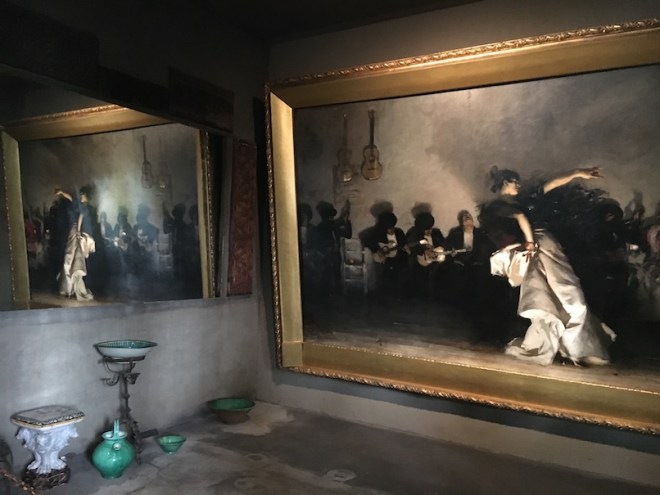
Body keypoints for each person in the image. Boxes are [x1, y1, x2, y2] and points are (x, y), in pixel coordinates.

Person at [478, 166, 616, 366]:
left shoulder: (524, 198)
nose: (518, 185)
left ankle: (574, 348)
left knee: (563, 294)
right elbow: (519, 217)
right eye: (515, 181)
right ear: (504, 183)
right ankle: (568, 348)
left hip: (541, 245)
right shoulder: (497, 206)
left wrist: (577, 173)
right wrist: (530, 242)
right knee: (548, 297)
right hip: (534, 247)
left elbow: (553, 183)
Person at [55, 186, 95, 301]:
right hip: (75, 231)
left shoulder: (84, 206)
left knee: (71, 257)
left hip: (75, 231)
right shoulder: (80, 205)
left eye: (82, 194)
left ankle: (70, 288)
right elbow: (70, 198)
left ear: (86, 195)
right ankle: (70, 288)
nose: (81, 195)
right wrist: (62, 192)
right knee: (71, 258)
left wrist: (77, 230)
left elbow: (81, 217)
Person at [362, 211, 407, 297]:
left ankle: (398, 294)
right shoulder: (377, 233)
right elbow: (366, 240)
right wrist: (378, 250)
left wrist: (406, 248)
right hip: (384, 261)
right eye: (388, 228)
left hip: (398, 260)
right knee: (384, 275)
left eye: (392, 227)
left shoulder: (399, 232)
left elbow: (404, 244)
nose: (391, 230)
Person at [404, 212, 445, 298]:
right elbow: (410, 247)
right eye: (425, 229)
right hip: (421, 261)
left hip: (436, 260)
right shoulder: (414, 234)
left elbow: (444, 244)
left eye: (430, 228)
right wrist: (424, 250)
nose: (428, 231)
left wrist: (437, 250)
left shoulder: (436, 233)